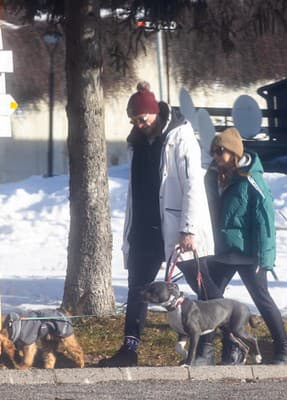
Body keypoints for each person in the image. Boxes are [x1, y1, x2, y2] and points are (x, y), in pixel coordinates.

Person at [98, 81, 214, 367]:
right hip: (144, 228)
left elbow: (192, 186)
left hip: (176, 228)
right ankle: (129, 348)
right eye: (134, 120)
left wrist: (188, 228)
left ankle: (211, 347)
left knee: (204, 287)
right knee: (138, 289)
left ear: (156, 114)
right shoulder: (137, 143)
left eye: (143, 118)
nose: (139, 124)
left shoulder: (180, 137)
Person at [186, 127, 287, 365]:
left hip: (248, 253)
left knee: (262, 299)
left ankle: (285, 351)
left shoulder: (251, 179)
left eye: (220, 151)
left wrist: (266, 261)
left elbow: (265, 221)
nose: (215, 156)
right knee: (207, 299)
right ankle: (205, 352)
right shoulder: (212, 177)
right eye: (213, 151)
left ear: (233, 153)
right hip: (221, 251)